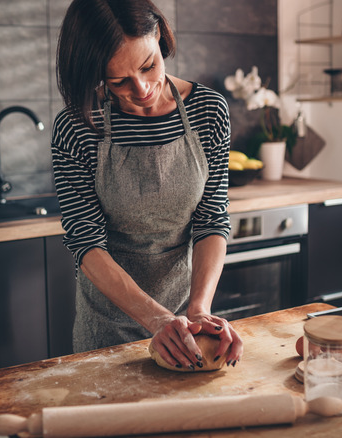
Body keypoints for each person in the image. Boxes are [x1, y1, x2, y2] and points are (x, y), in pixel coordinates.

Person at [51, 0, 243, 370]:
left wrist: (198, 310)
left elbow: (211, 220)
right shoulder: (77, 126)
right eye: (119, 80)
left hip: (187, 319)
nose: (140, 89)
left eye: (148, 65)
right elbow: (85, 241)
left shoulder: (209, 111)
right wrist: (155, 319)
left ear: (159, 36)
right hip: (106, 328)